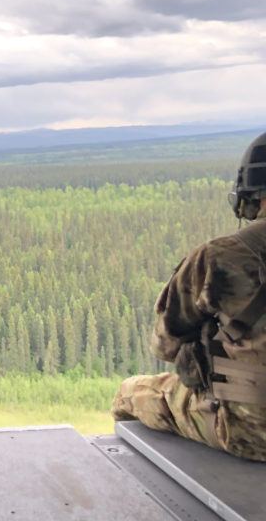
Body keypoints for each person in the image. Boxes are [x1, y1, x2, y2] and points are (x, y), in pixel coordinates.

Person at [112, 132, 266, 461]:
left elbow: (164, 345)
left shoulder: (220, 256)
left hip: (251, 430)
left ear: (252, 192)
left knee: (130, 393)